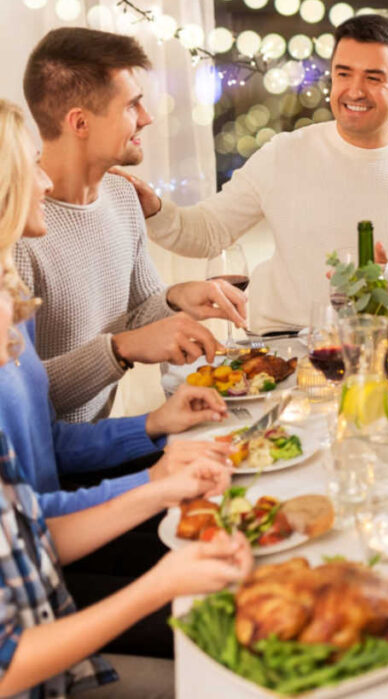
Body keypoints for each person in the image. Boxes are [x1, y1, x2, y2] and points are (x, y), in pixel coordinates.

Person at [0, 105, 252, 696]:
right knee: (237, 637)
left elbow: (35, 492)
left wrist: (155, 434)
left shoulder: (11, 309)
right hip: (44, 639)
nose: (43, 182)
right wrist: (163, 581)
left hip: (46, 578)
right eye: (27, 166)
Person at [119, 13, 388, 333]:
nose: (354, 91)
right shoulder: (283, 152)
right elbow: (209, 232)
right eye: (343, 74)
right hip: (280, 341)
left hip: (381, 344)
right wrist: (154, 210)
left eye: (373, 78)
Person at [0, 98, 231, 517]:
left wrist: (155, 424)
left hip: (61, 501)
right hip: (52, 531)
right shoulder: (22, 259)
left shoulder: (11, 303)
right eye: (130, 104)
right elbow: (28, 523)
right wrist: (156, 482)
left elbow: (47, 443)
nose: (45, 183)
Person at [15, 27, 248, 423]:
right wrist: (120, 349)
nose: (147, 118)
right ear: (80, 123)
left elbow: (137, 316)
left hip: (102, 443)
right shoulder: (18, 229)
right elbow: (16, 399)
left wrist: (176, 297)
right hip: (48, 466)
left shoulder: (123, 199)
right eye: (131, 106)